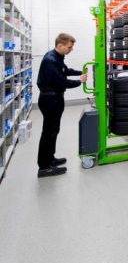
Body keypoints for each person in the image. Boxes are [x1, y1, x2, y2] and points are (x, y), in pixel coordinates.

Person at [36, 33, 87, 177]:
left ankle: (50, 159)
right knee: (48, 133)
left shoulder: (57, 57)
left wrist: (80, 72)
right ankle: (44, 167)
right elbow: (61, 82)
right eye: (69, 47)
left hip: (54, 99)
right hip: (50, 100)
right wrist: (79, 81)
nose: (71, 50)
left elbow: (65, 70)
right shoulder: (50, 60)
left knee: (53, 131)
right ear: (60, 45)